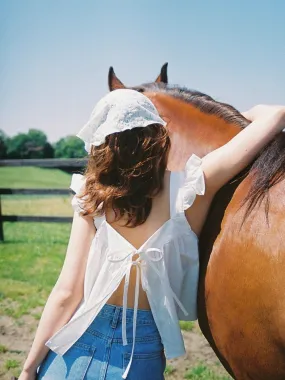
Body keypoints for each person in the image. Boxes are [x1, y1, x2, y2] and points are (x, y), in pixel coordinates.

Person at [18, 89, 285, 380]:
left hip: (75, 349)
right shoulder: (192, 188)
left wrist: (29, 368)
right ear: (158, 134)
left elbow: (66, 294)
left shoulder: (92, 198)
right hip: (140, 359)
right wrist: (241, 116)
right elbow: (277, 114)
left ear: (102, 142)